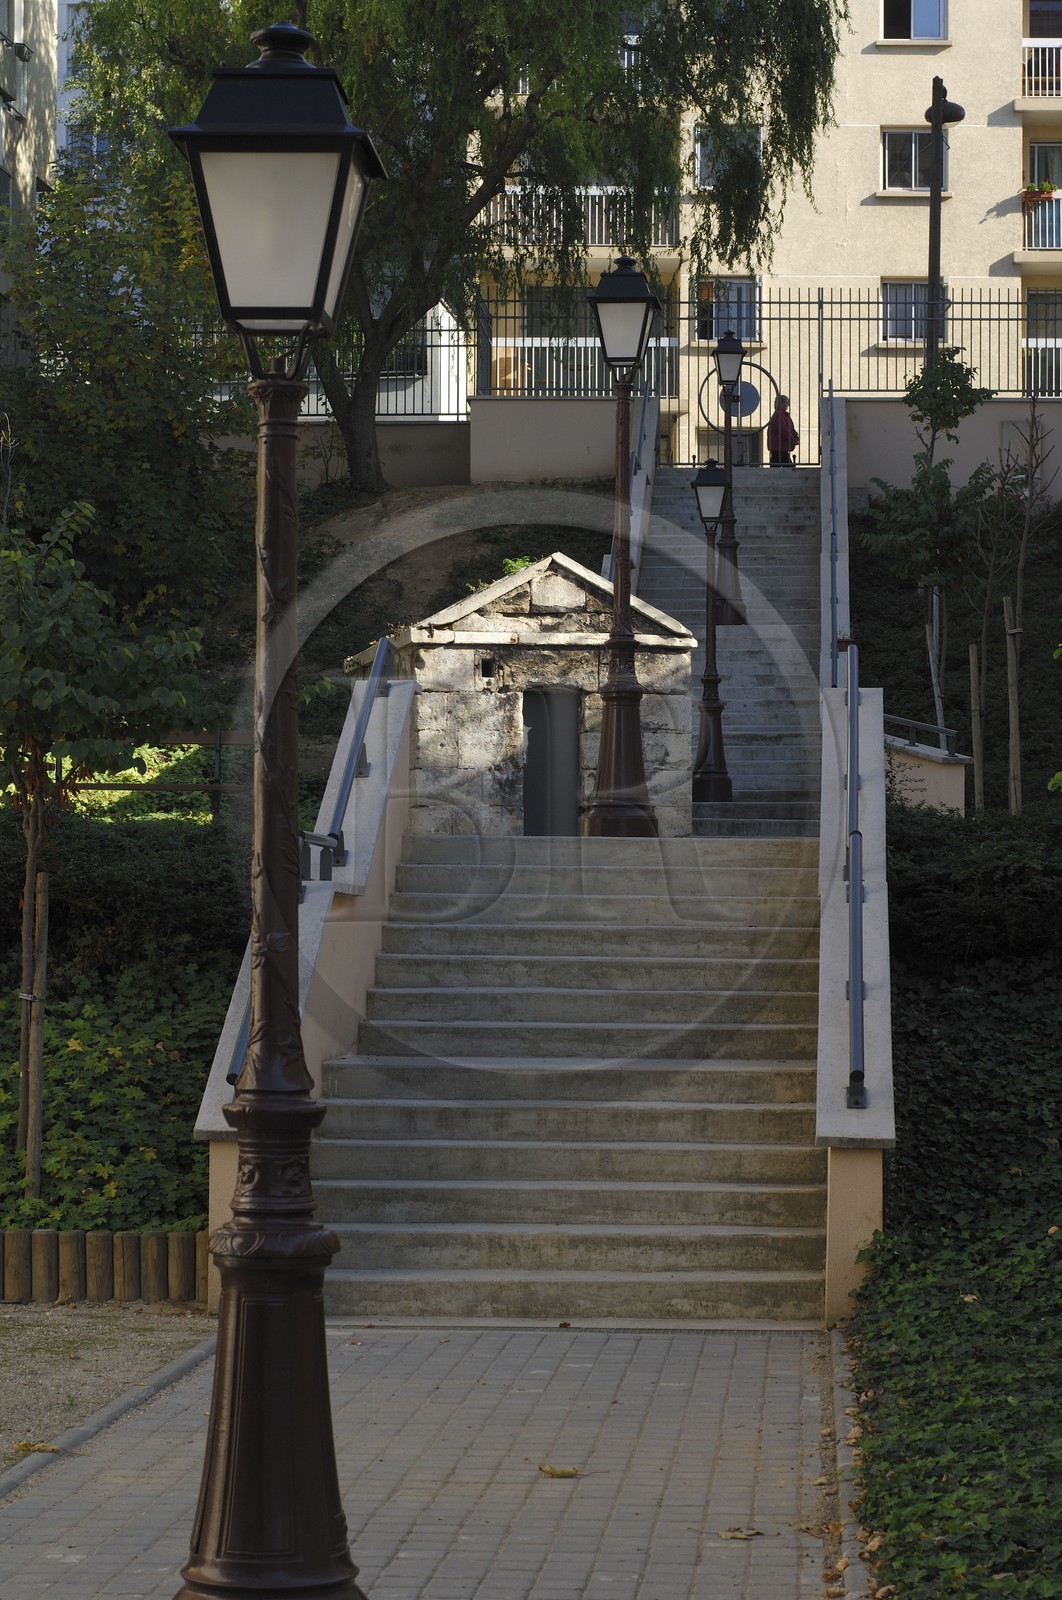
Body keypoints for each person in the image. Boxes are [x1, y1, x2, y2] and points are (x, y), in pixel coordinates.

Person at [767, 394, 798, 466]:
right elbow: (784, 430)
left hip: (781, 446)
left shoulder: (782, 415)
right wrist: (794, 440)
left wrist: (795, 437)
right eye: (786, 402)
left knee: (785, 465)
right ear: (780, 403)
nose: (787, 405)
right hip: (778, 446)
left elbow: (789, 429)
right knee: (785, 466)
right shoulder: (779, 415)